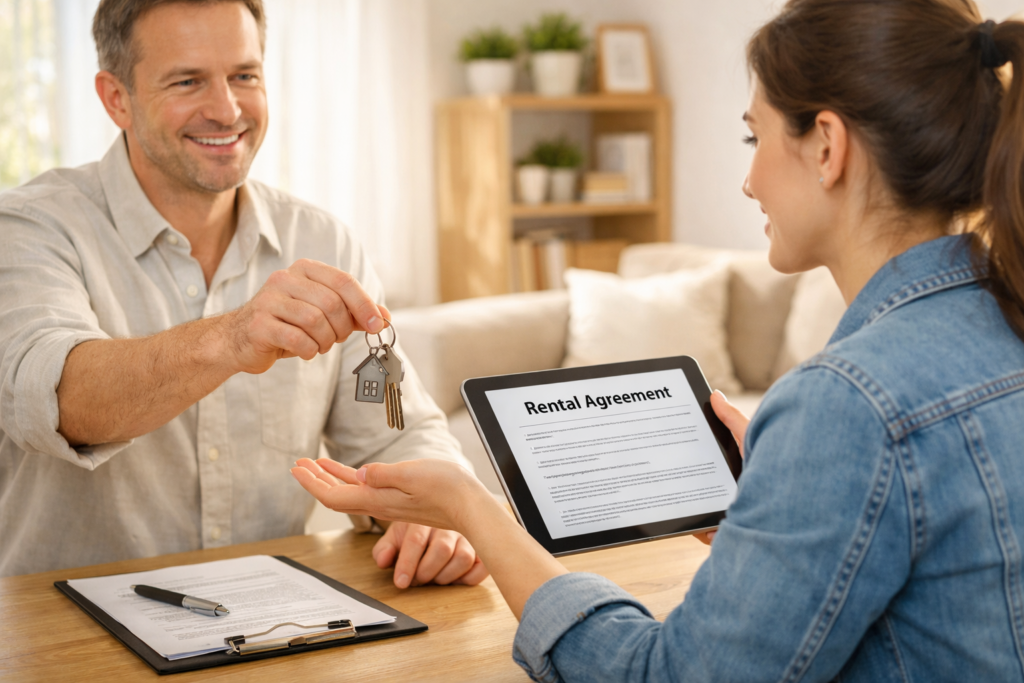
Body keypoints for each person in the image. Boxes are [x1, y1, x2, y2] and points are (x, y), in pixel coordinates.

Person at [292, 0, 1024, 679]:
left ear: (827, 146)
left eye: (755, 134)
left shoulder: (848, 404)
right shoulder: (1003, 325)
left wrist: (473, 510)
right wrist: (775, 502)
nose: (748, 180)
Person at [0, 0, 487, 590]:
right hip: (63, 637)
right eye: (187, 81)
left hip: (271, 622)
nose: (226, 109)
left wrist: (437, 515)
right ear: (115, 98)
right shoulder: (26, 228)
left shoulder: (323, 239)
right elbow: (60, 399)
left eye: (244, 76)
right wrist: (232, 337)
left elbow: (395, 431)